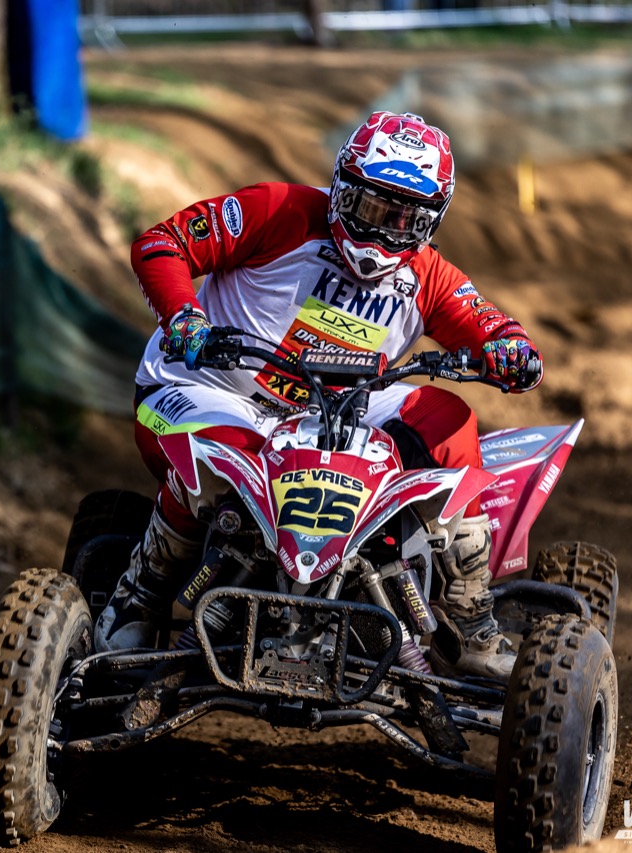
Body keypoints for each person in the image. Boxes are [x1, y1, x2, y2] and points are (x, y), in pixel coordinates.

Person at [94, 111, 542, 680]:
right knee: (220, 456)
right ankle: (140, 596)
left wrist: (511, 350)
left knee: (449, 420)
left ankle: (470, 619)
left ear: (430, 222)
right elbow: (163, 243)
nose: (380, 233)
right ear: (341, 187)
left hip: (329, 415)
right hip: (206, 387)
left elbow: (494, 329)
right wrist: (184, 316)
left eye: (403, 219)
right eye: (369, 208)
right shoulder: (278, 210)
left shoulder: (429, 277)